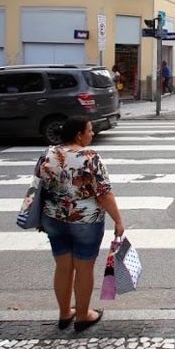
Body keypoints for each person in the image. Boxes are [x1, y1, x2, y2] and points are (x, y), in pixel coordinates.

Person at [37, 116, 125, 333]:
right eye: (89, 130)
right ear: (79, 134)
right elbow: (103, 193)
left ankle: (65, 312)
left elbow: (40, 183)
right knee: (84, 268)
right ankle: (83, 315)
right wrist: (119, 220)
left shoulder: (49, 153)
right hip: (85, 221)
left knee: (63, 267)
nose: (92, 134)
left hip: (54, 219)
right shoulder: (90, 157)